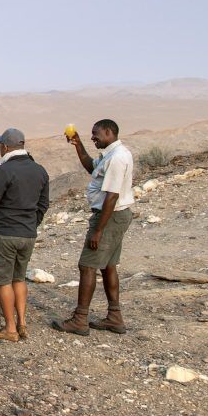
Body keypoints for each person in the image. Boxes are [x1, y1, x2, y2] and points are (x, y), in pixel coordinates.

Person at [53, 119, 134, 335]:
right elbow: (92, 168)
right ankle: (114, 317)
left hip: (110, 217)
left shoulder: (118, 158)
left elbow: (112, 196)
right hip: (115, 217)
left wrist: (98, 229)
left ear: (109, 132)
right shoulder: (111, 154)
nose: (93, 138)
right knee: (108, 266)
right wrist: (78, 145)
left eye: (95, 134)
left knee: (87, 266)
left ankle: (80, 320)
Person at [0, 128, 49, 342]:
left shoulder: (2, 171)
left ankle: (10, 329)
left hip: (5, 233)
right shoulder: (40, 170)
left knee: (3, 281)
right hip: (28, 234)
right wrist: (31, 223)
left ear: (6, 146)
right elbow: (43, 204)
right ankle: (22, 323)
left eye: (0, 144)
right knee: (19, 278)